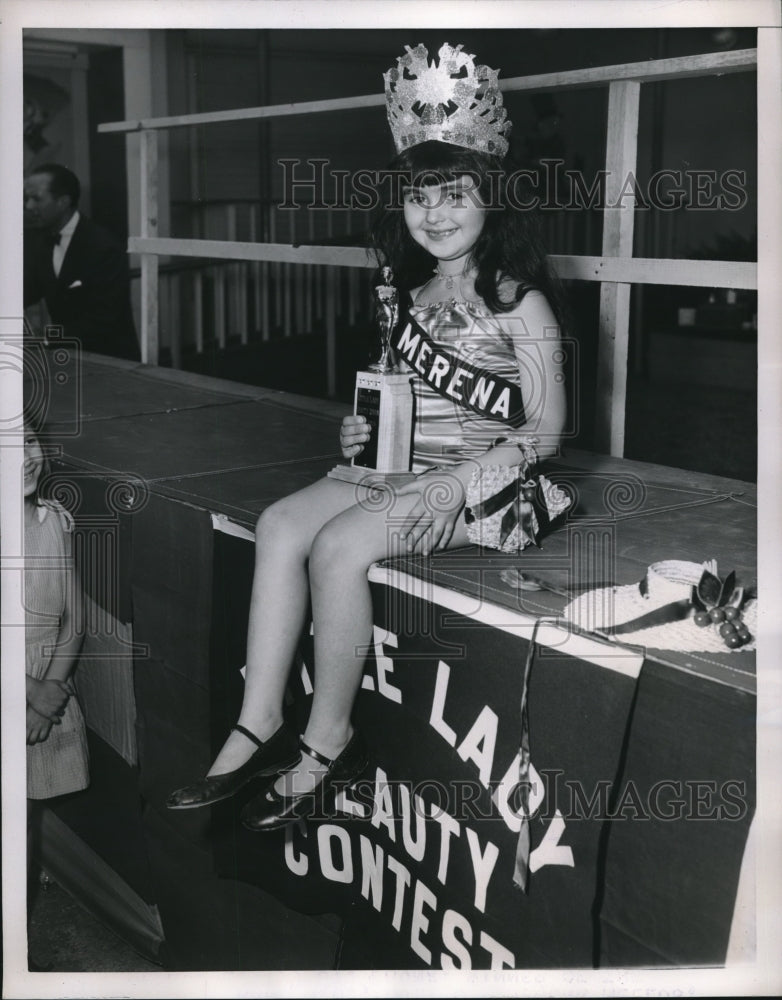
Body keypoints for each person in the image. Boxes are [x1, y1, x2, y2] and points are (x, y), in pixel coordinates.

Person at [166, 42, 568, 830]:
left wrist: (450, 484)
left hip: (490, 484)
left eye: (455, 195)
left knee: (339, 547)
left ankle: (327, 738)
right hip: (404, 467)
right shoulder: (410, 293)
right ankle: (258, 720)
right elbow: (404, 400)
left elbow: (547, 432)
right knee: (281, 523)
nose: (436, 214)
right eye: (420, 198)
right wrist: (362, 430)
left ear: (493, 199)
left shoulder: (520, 300)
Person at [23, 163, 141, 362]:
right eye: (27, 199)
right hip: (68, 357)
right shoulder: (41, 240)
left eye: (36, 199)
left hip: (111, 362)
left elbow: (104, 319)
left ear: (63, 202)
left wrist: (45, 338)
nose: (28, 206)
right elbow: (28, 289)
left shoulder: (104, 247)